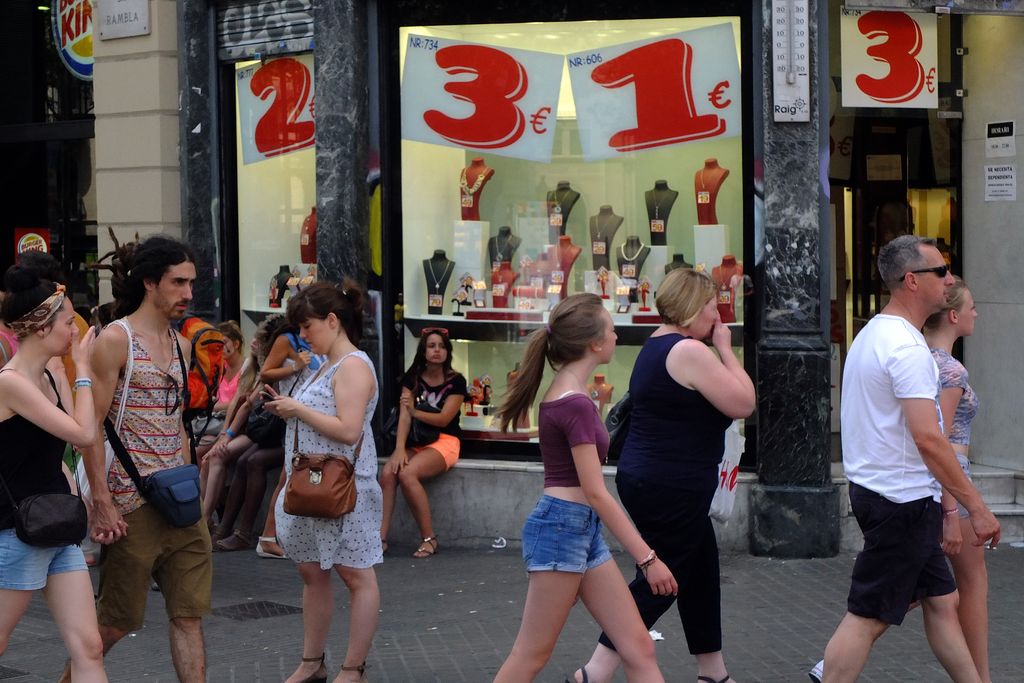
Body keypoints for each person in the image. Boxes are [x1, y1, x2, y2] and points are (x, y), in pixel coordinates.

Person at [819, 236, 999, 683]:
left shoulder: (875, 334)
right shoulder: (905, 348)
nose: (950, 279)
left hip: (891, 495)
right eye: (942, 272)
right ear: (912, 281)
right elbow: (929, 439)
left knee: (943, 603)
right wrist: (974, 507)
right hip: (900, 500)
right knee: (868, 615)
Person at [572, 268, 754, 683]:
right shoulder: (689, 351)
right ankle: (595, 671)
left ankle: (714, 672)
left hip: (653, 479)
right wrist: (727, 349)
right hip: (671, 485)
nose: (717, 316)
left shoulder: (657, 344)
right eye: (712, 306)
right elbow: (743, 402)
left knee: (701, 568)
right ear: (693, 307)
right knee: (662, 578)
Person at [492, 293, 677, 683]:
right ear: (595, 343)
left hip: (577, 528)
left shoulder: (569, 395)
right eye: (611, 329)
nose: (615, 335)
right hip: (563, 528)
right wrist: (647, 559)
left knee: (638, 646)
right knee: (531, 655)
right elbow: (595, 491)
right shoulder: (573, 402)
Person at [77, 234, 211, 683]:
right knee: (115, 623)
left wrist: (195, 490)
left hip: (181, 501)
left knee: (189, 616)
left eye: (191, 283)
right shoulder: (115, 341)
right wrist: (101, 499)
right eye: (178, 283)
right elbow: (89, 427)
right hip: (131, 504)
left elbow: (178, 425)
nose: (189, 294)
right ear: (151, 283)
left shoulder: (182, 345)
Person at [264, 281, 382, 683]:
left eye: (308, 327)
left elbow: (349, 430)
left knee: (357, 575)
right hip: (313, 483)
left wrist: (296, 407)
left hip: (344, 488)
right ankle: (312, 662)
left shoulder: (352, 365)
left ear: (332, 321)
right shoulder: (327, 365)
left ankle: (353, 668)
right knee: (313, 573)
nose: (303, 336)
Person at [0, 267, 106, 682]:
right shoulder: (11, 383)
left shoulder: (44, 375)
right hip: (17, 530)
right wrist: (80, 367)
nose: (75, 332)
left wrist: (66, 372)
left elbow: (76, 441)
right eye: (68, 323)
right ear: (42, 328)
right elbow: (82, 431)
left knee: (89, 647)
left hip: (56, 525)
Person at [924, 277, 990, 683]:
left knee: (922, 585)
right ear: (953, 315)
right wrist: (954, 505)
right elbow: (942, 439)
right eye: (972, 307)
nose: (976, 313)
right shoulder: (949, 369)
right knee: (972, 581)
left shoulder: (921, 360)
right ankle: (980, 677)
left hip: (935, 483)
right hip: (952, 480)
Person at [201, 315, 311, 549]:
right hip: (272, 430)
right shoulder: (264, 364)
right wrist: (226, 435)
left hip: (287, 433)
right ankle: (221, 527)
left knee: (254, 462)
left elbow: (259, 387)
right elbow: (247, 401)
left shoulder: (294, 363)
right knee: (240, 460)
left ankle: (243, 532)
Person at [379, 327, 466, 557]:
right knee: (389, 472)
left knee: (408, 474)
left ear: (448, 351)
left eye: (441, 346)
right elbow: (404, 416)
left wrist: (415, 411)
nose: (437, 351)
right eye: (431, 346)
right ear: (423, 350)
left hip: (446, 440)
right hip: (418, 440)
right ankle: (380, 539)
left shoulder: (456, 381)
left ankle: (429, 539)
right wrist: (399, 449)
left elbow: (444, 418)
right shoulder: (413, 377)